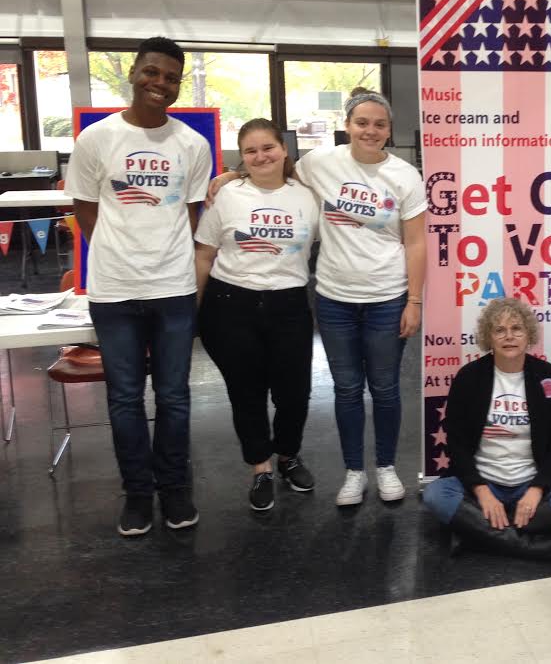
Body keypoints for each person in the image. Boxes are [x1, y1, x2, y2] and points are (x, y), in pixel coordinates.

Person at [209, 91, 425, 505]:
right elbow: (270, 168)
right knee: (345, 389)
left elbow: (417, 243)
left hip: (387, 297)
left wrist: (414, 301)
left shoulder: (405, 176)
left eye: (379, 124)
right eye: (362, 122)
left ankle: (386, 468)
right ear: (348, 125)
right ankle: (354, 472)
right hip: (334, 298)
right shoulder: (321, 162)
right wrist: (231, 175)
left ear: (389, 130)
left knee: (385, 388)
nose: (370, 130)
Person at [65, 36, 213, 536]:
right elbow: (85, 208)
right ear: (133, 72)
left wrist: (161, 256)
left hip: (172, 288)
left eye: (171, 78)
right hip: (113, 290)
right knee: (125, 397)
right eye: (152, 72)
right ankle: (137, 493)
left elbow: (191, 215)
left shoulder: (192, 145)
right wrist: (118, 248)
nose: (160, 83)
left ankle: (173, 488)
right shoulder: (96, 140)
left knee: (174, 396)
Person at [194, 119, 319, 512]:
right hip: (231, 304)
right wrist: (192, 312)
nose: (261, 156)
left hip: (290, 304)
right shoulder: (227, 196)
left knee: (294, 392)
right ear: (242, 158)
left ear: (284, 150)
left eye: (268, 147)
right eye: (251, 151)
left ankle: (288, 456)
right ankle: (260, 467)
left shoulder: (308, 196)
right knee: (247, 393)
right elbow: (203, 254)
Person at [421, 298, 551, 563]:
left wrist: (536, 490)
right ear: (488, 337)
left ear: (529, 335)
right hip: (484, 481)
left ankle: (475, 533)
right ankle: (528, 545)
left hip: (530, 481)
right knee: (435, 495)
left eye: (517, 329)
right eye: (499, 330)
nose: (509, 336)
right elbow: (455, 441)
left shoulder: (548, 375)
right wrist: (481, 490)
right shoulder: (469, 377)